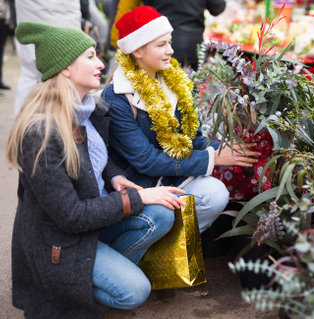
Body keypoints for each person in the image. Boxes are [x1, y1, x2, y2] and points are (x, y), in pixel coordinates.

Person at [7, 21, 186, 318]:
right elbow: (70, 215)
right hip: (59, 239)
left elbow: (97, 159)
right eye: (90, 56)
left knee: (162, 214)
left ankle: (98, 270)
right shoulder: (40, 132)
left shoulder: (89, 110)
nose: (101, 63)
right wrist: (141, 197)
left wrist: (114, 176)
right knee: (135, 291)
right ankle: (67, 288)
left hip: (94, 219)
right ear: (65, 68)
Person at [102, 6, 260, 235]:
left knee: (217, 193)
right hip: (139, 186)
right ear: (137, 51)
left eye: (169, 42)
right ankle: (148, 240)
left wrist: (229, 150)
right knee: (208, 194)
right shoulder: (117, 96)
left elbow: (193, 141)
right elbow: (146, 161)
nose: (170, 50)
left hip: (170, 176)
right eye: (161, 45)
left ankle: (171, 247)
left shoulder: (176, 83)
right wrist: (213, 158)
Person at [110, 0, 226, 70]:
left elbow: (144, 6)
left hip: (157, 41)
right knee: (188, 95)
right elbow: (217, 8)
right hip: (190, 44)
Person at [13, 0, 82, 114]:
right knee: (65, 70)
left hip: (33, 12)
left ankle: (21, 125)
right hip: (62, 15)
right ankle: (64, 123)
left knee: (30, 75)